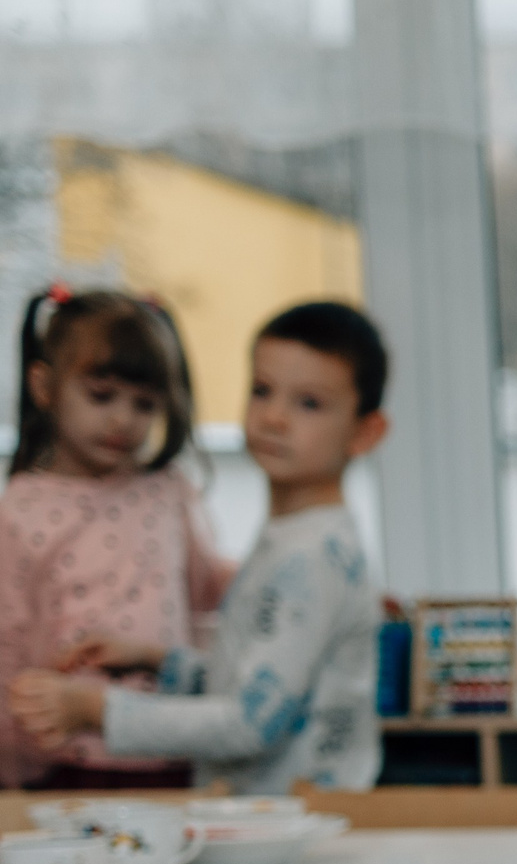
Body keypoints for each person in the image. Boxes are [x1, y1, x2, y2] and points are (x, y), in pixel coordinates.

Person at [8, 302, 388, 794]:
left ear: (365, 431)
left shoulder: (310, 558)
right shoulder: (290, 542)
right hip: (265, 819)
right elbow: (252, 682)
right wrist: (159, 662)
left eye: (309, 403)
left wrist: (95, 710)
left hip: (291, 824)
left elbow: (251, 722)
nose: (273, 417)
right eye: (261, 391)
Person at [0, 285, 229, 789]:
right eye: (101, 396)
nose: (123, 419)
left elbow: (213, 594)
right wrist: (11, 770)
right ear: (44, 387)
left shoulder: (170, 493)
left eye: (144, 404)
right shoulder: (23, 506)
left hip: (173, 747)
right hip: (68, 760)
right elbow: (9, 638)